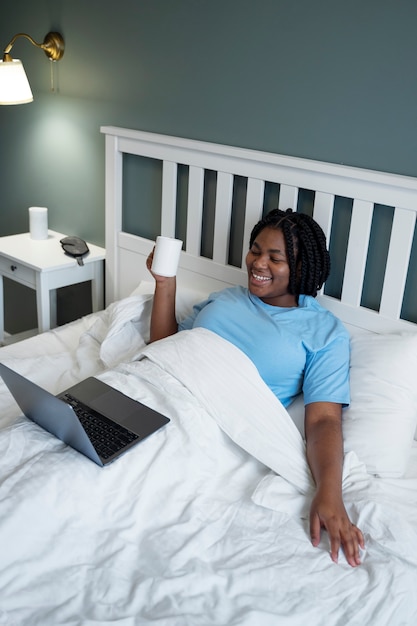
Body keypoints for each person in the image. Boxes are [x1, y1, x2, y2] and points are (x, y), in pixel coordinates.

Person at [146, 208, 365, 567]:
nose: (258, 263)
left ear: (302, 267)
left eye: (275, 258)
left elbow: (324, 421)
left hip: (199, 420)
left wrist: (329, 491)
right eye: (255, 250)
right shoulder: (226, 298)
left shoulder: (323, 333)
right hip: (151, 386)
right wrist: (164, 283)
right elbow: (165, 349)